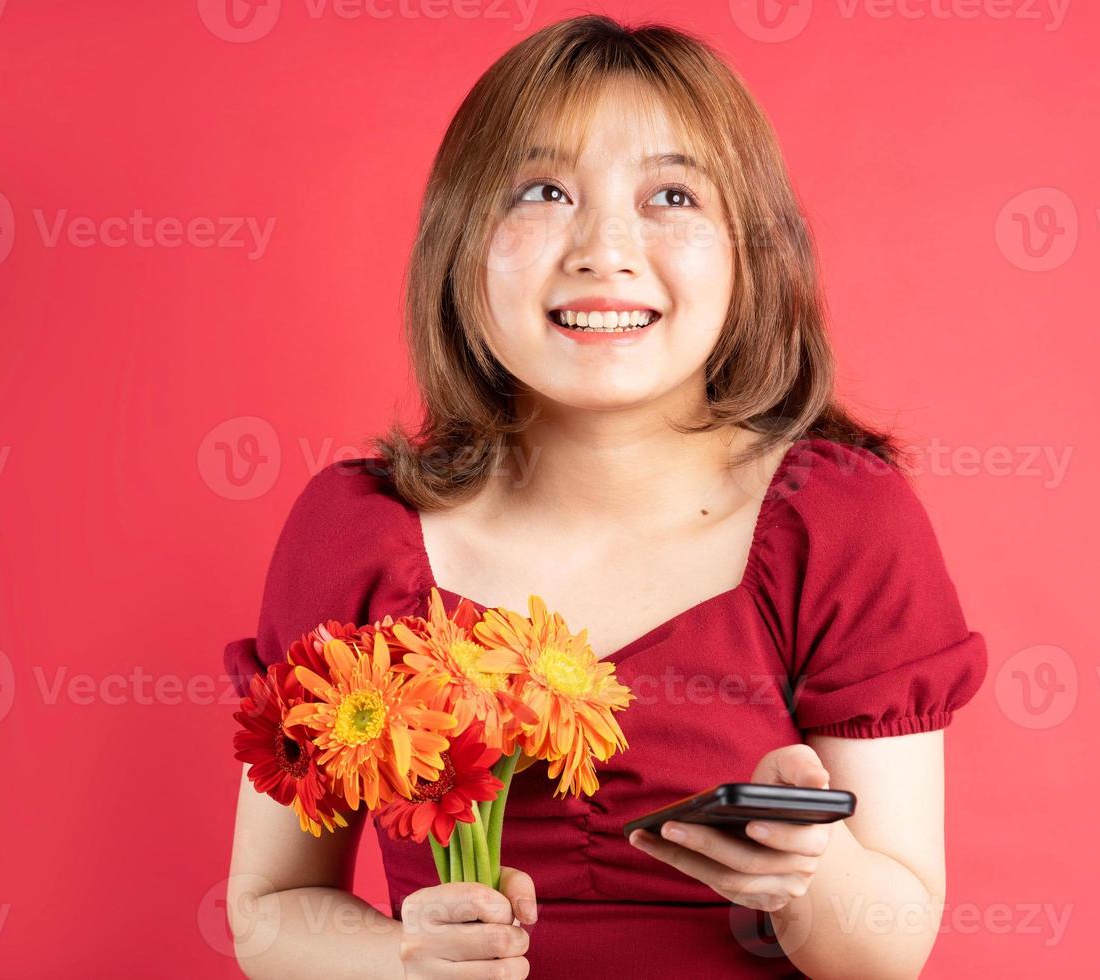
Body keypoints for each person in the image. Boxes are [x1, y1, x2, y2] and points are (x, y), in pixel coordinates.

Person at [223, 14, 986, 979]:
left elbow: (891, 948)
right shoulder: (353, 534)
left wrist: (810, 865)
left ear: (751, 251)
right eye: (543, 192)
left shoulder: (844, 520)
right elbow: (271, 910)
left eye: (672, 195)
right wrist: (403, 961)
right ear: (459, 243)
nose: (605, 249)